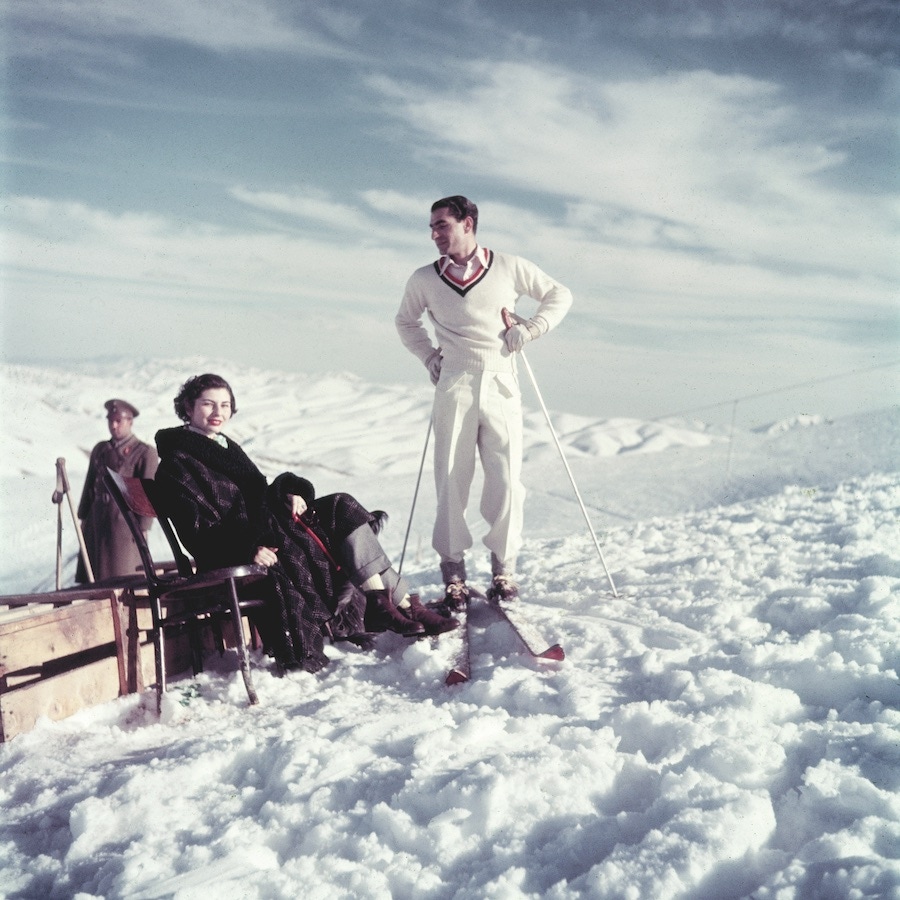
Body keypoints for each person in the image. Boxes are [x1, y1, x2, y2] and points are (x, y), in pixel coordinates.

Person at [152, 374, 456, 675]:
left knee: (341, 507)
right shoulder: (178, 463)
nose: (218, 413)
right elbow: (196, 531)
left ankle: (387, 602)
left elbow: (259, 494)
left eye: (225, 405)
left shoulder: (223, 447)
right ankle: (401, 604)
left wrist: (290, 492)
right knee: (336, 525)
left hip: (271, 530)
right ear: (188, 407)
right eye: (208, 404)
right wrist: (248, 548)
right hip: (241, 548)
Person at [395, 195, 573, 608]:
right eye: (432, 227)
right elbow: (405, 321)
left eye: (443, 225)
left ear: (468, 223)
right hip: (454, 380)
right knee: (451, 478)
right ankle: (453, 572)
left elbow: (558, 294)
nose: (436, 234)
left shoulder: (509, 266)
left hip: (501, 379)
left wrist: (531, 329)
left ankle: (503, 569)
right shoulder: (424, 278)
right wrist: (427, 355)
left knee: (507, 477)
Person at [76, 398, 158, 582]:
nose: (113, 425)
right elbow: (90, 483)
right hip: (96, 522)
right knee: (93, 577)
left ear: (130, 422)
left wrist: (143, 527)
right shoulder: (100, 449)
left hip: (124, 525)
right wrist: (83, 516)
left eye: (118, 421)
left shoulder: (144, 452)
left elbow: (147, 494)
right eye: (110, 421)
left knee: (123, 576)